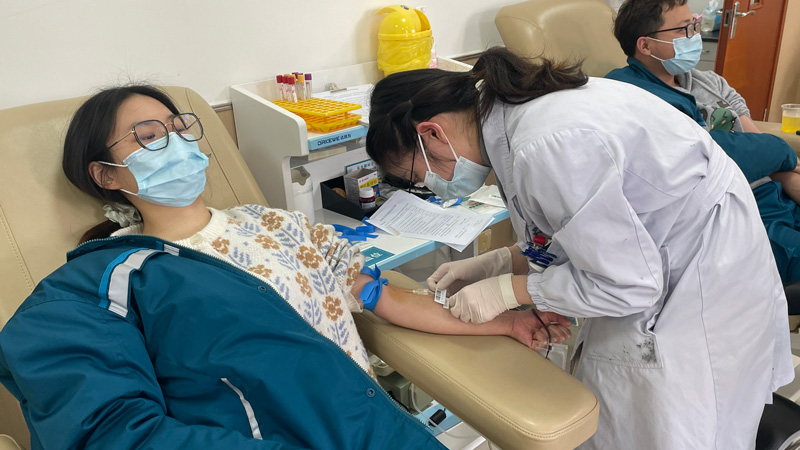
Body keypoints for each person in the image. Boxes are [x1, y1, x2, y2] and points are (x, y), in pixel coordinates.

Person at [0, 85, 573, 450]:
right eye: (149, 137)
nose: (175, 143)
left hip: (367, 427)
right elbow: (107, 431)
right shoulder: (103, 280)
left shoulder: (276, 225)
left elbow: (383, 297)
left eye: (179, 129)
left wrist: (503, 320)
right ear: (105, 175)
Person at [365, 47, 795, 449]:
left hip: (698, 280)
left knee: (671, 427)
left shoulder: (545, 142)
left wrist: (509, 290)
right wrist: (499, 262)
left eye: (419, 176)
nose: (432, 187)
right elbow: (574, 228)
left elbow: (628, 283)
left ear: (432, 132)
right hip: (663, 253)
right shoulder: (512, 120)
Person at [606, 0, 800, 286]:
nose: (694, 36)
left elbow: (754, 141)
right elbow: (709, 156)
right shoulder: (632, 94)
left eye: (694, 24)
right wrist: (781, 157)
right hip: (733, 213)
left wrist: (786, 173)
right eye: (683, 29)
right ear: (645, 45)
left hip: (773, 193)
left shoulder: (708, 82)